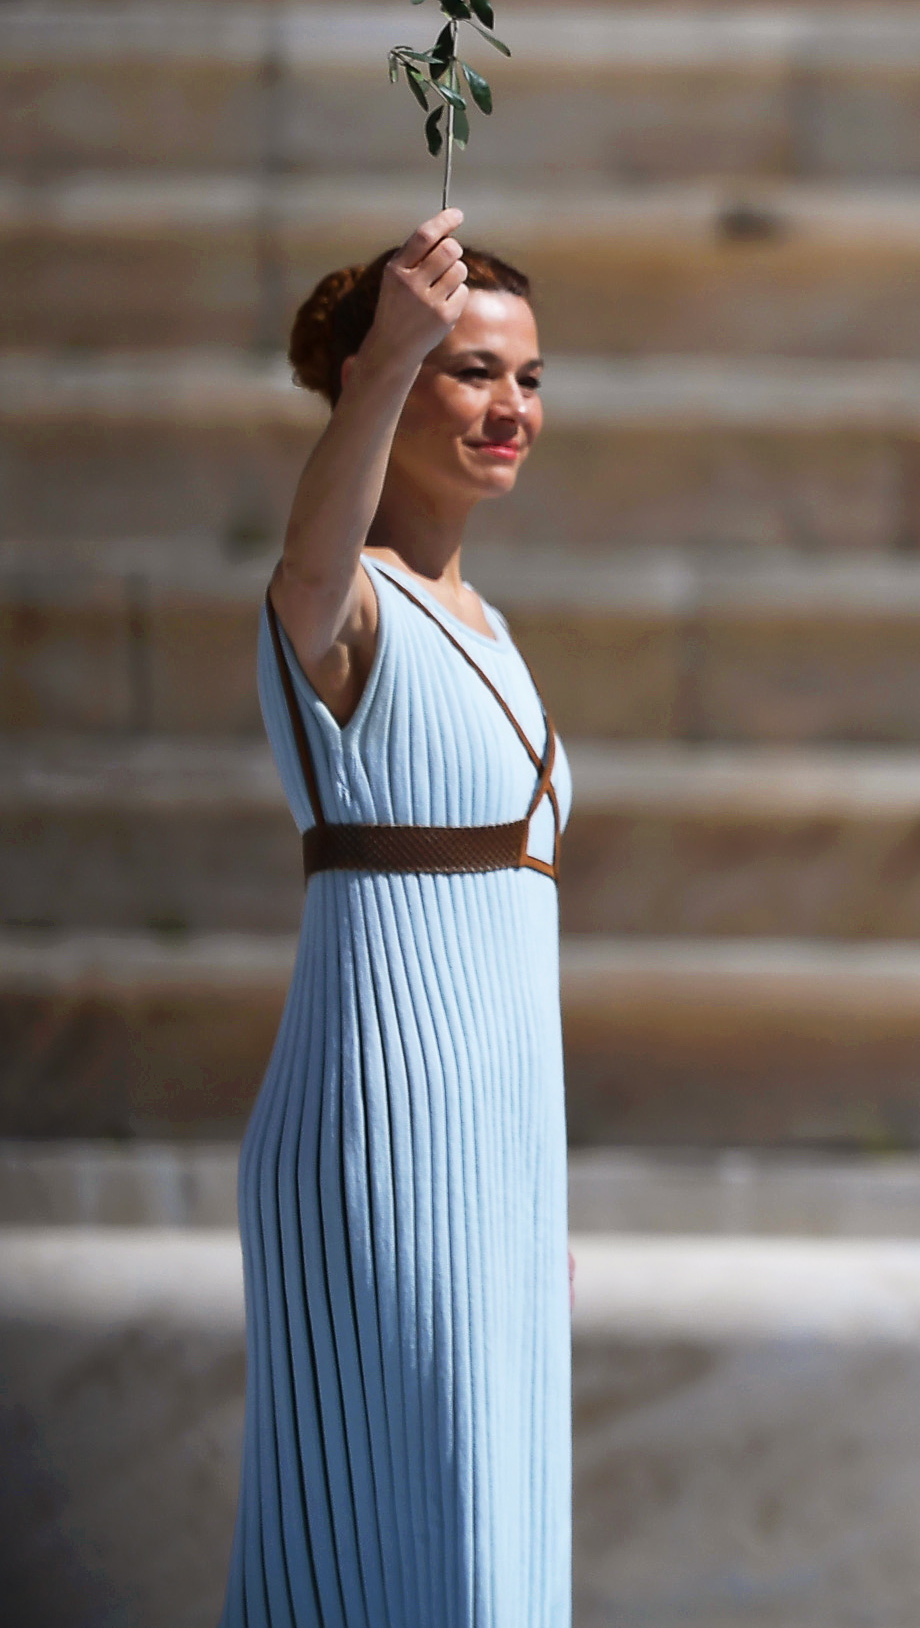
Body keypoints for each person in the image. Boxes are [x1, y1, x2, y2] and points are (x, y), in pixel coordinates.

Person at [224, 208, 571, 1628]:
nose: (511, 409)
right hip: (382, 1131)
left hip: (498, 1148)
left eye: (530, 378)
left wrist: (539, 1179)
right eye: (471, 370)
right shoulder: (346, 599)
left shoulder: (484, 620)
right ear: (393, 378)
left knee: (496, 1532)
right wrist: (386, 356)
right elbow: (305, 573)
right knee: (398, 1543)